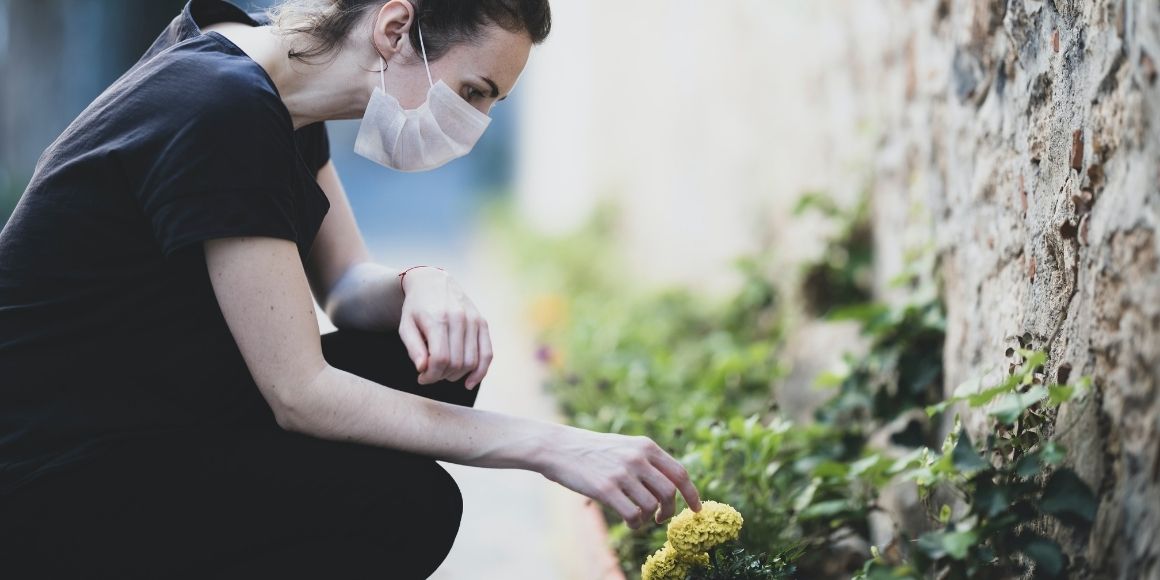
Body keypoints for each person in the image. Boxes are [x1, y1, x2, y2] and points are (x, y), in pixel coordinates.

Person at [0, 0, 702, 577]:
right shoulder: (223, 110)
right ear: (396, 29)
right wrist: (556, 447)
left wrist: (422, 284)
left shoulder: (273, 92)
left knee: (431, 363)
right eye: (473, 92)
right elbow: (300, 393)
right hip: (53, 479)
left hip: (150, 414)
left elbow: (344, 289)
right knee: (407, 505)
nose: (475, 123)